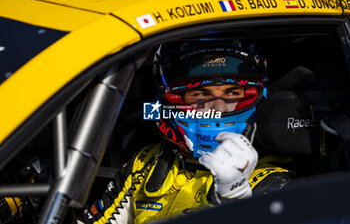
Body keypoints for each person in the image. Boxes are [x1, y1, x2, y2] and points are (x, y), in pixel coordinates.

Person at [80, 41, 293, 224]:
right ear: (170, 98)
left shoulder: (274, 181)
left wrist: (232, 199)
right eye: (200, 93)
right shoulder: (147, 162)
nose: (218, 108)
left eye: (233, 92)